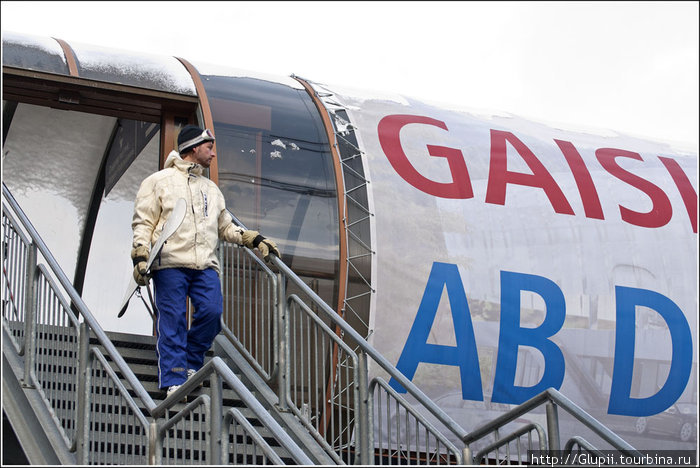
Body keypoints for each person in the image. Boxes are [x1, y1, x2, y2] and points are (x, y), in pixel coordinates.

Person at [130, 124, 279, 398]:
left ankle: (189, 363)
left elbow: (225, 226)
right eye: (209, 147)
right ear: (194, 148)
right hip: (170, 262)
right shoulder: (158, 181)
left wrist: (253, 239)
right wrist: (140, 254)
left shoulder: (211, 189)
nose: (213, 153)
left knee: (212, 313)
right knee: (172, 319)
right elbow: (144, 222)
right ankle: (174, 378)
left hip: (205, 265)